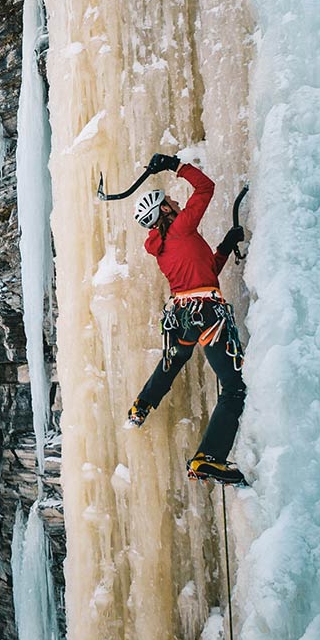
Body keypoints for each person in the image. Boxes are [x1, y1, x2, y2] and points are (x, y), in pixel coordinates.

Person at [126, 153, 248, 485]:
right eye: (171, 200)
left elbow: (204, 272)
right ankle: (209, 458)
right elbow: (205, 188)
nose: (177, 202)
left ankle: (142, 404)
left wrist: (225, 246)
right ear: (165, 210)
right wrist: (175, 165)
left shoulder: (163, 248)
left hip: (182, 315)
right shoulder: (181, 227)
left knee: (177, 358)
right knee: (235, 387)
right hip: (207, 312)